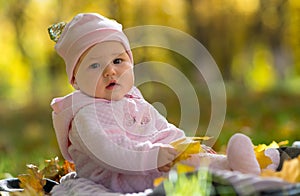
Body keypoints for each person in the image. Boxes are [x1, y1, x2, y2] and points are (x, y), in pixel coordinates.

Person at [49, 13, 280, 194]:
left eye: (118, 60)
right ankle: (239, 177)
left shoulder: (134, 101)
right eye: (95, 66)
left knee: (192, 161)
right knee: (183, 177)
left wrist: (183, 145)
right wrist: (152, 157)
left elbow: (162, 128)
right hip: (118, 176)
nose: (110, 71)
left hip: (156, 159)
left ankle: (237, 165)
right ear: (75, 81)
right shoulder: (85, 115)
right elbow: (109, 151)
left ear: (130, 64)